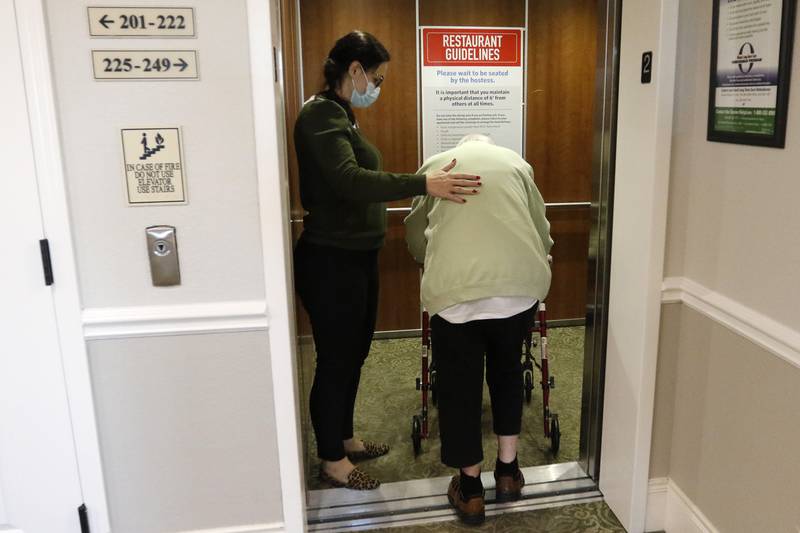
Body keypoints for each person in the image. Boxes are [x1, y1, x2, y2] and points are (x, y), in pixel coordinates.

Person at [293, 31, 482, 491]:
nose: (376, 87)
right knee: (336, 359)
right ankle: (332, 460)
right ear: (354, 70)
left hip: (356, 255)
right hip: (331, 260)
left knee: (353, 353)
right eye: (375, 77)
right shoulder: (319, 115)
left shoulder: (342, 114)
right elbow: (350, 180)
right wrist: (423, 184)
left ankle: (345, 436)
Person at [404, 134, 553, 524]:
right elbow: (541, 229)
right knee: (506, 374)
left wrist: (429, 257)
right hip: (517, 291)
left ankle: (470, 490)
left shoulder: (436, 164)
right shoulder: (518, 165)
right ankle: (508, 471)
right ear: (491, 145)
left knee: (459, 387)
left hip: (456, 297)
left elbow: (415, 234)